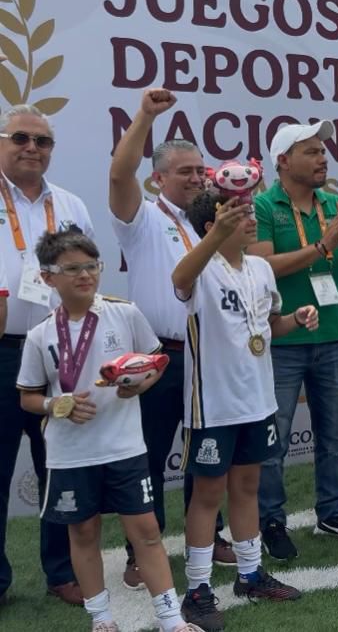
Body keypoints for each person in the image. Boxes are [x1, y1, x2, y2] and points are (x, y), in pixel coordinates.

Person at [17, 228, 200, 632]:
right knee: (83, 533)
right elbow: (28, 397)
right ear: (48, 277)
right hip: (70, 453)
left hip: (124, 447)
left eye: (91, 266)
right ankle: (101, 618)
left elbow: (156, 362)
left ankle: (172, 619)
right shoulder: (39, 335)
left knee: (146, 532)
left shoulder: (125, 312)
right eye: (72, 269)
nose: (85, 275)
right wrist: (54, 405)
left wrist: (139, 383)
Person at [108, 88, 234, 586]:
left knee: (206, 451)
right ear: (157, 177)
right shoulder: (141, 220)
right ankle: (142, 548)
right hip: (160, 356)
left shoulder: (210, 222)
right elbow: (119, 175)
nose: (197, 178)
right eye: (185, 171)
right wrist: (144, 116)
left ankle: (211, 534)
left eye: (200, 170)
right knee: (150, 455)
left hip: (210, 356)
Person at [174, 190, 312, 629]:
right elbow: (179, 279)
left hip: (257, 399)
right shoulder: (200, 267)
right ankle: (197, 589)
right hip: (213, 405)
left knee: (248, 485)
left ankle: (250, 574)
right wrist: (215, 234)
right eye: (238, 214)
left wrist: (296, 320)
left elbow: (270, 326)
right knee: (207, 494)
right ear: (212, 225)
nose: (250, 219)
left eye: (249, 211)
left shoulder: (259, 268)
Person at [249, 121, 338, 560]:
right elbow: (263, 267)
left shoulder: (335, 202)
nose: (323, 158)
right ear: (283, 161)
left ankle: (333, 512)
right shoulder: (263, 206)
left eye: (324, 151)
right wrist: (323, 245)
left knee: (334, 436)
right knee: (275, 440)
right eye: (312, 151)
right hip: (281, 341)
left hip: (332, 335)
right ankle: (271, 520)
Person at [0, 104, 90, 606]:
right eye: (20, 138)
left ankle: (63, 571)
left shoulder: (73, 205)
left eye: (43, 141)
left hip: (62, 353)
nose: (32, 147)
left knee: (59, 467)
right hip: (2, 351)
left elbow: (89, 278)